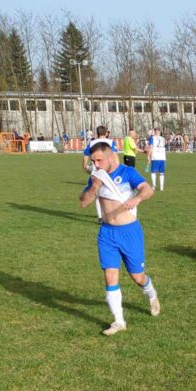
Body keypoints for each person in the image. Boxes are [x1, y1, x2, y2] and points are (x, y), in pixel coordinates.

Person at [78, 141, 160, 335]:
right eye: (93, 161)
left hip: (129, 232)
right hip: (107, 233)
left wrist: (138, 198)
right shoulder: (96, 177)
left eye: (99, 160)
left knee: (137, 277)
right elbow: (83, 203)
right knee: (110, 275)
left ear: (110, 156)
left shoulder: (127, 172)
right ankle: (118, 321)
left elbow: (148, 189)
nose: (96, 165)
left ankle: (151, 294)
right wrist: (93, 187)